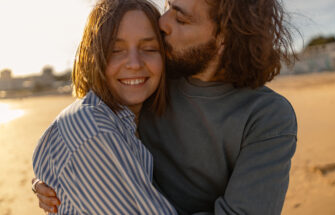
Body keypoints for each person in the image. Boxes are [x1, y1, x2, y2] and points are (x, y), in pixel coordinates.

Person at [34, 0, 298, 214]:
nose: (163, 21)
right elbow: (92, 121)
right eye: (168, 6)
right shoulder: (153, 80)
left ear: (224, 38)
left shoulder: (266, 115)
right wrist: (57, 181)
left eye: (180, 18)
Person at [32, 0, 178, 214]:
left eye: (149, 48)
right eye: (116, 50)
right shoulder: (94, 130)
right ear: (93, 56)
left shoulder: (133, 122)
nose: (135, 63)